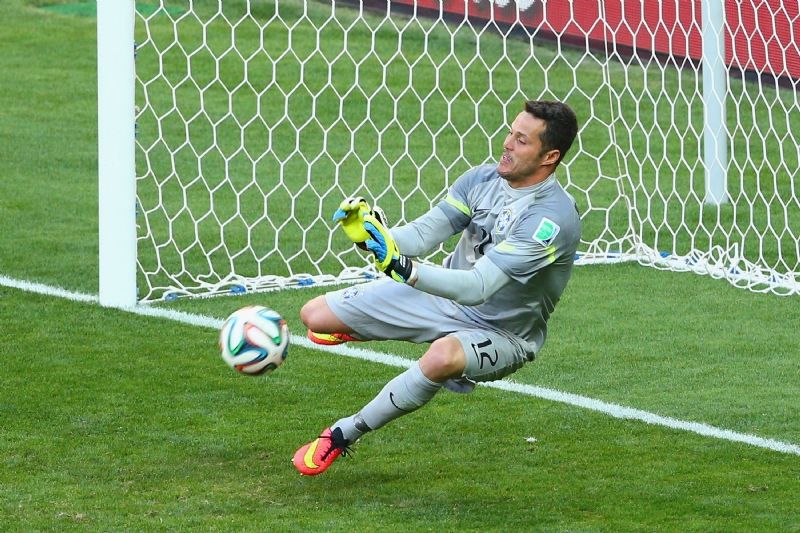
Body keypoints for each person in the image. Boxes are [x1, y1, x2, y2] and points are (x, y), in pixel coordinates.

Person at [293, 99, 581, 476]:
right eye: (510, 133)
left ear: (550, 157)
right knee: (313, 316)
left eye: (522, 140)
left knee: (442, 357)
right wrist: (374, 235)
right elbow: (423, 235)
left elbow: (479, 287)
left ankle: (344, 432)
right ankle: (361, 328)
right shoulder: (481, 180)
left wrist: (404, 270)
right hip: (442, 298)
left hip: (503, 333)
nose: (507, 144)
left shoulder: (551, 220)